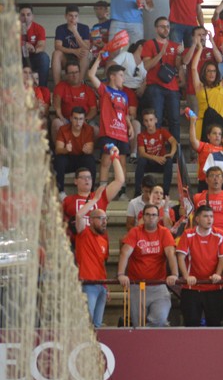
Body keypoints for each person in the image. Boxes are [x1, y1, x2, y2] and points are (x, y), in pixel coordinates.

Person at [118, 203, 179, 327]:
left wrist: (174, 274)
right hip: (137, 286)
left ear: (158, 218)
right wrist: (121, 274)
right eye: (148, 215)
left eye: (154, 215)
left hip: (158, 286)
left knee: (160, 319)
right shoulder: (135, 232)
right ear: (143, 217)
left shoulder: (164, 232)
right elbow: (125, 252)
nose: (151, 217)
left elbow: (170, 253)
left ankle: (150, 336)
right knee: (138, 324)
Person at [177, 205, 223, 327]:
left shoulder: (219, 234)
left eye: (211, 216)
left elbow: (222, 258)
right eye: (205, 216)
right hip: (191, 288)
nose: (209, 219)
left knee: (214, 324)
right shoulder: (188, 234)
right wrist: (186, 276)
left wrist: (218, 274)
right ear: (197, 219)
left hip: (213, 288)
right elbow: (180, 257)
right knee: (191, 324)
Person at [86, 57, 133, 189]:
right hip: (108, 132)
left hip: (122, 133)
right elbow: (90, 74)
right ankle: (102, 189)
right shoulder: (105, 90)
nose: (123, 79)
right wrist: (99, 58)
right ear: (112, 77)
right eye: (121, 75)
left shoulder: (124, 95)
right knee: (106, 162)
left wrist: (130, 127)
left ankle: (122, 191)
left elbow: (125, 113)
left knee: (122, 163)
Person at [141, 16, 182, 143]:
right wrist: (160, 54)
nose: (166, 29)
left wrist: (180, 55)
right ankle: (156, 148)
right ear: (156, 28)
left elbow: (178, 67)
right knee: (156, 119)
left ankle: (176, 153)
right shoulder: (149, 44)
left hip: (173, 88)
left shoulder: (175, 46)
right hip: (155, 87)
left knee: (175, 120)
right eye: (162, 26)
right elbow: (146, 66)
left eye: (168, 26)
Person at [189, 33, 223, 138]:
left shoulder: (222, 85)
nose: (211, 74)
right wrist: (200, 48)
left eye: (214, 71)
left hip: (220, 124)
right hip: (203, 125)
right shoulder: (199, 87)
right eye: (208, 71)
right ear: (204, 73)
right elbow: (193, 68)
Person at [74, 197, 110, 328]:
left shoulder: (104, 241)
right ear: (90, 220)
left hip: (101, 286)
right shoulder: (84, 234)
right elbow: (79, 215)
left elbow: (102, 264)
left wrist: (106, 286)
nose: (104, 222)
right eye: (101, 218)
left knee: (97, 325)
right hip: (88, 285)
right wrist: (96, 199)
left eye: (106, 219)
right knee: (86, 324)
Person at [51, 60, 98, 143]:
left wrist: (85, 120)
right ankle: (59, 152)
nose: (74, 75)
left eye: (76, 72)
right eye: (71, 73)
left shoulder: (88, 90)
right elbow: (57, 107)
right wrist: (62, 118)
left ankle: (86, 152)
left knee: (96, 130)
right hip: (66, 119)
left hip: (84, 119)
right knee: (56, 123)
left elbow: (93, 110)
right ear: (66, 75)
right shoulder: (60, 87)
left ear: (80, 72)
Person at [53, 107, 95, 200]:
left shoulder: (88, 129)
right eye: (75, 118)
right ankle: (60, 192)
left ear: (84, 120)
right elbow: (58, 149)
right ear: (71, 118)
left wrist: (87, 150)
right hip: (68, 159)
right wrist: (65, 150)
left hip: (82, 160)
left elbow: (91, 149)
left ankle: (90, 192)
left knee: (90, 160)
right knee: (59, 160)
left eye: (81, 119)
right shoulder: (63, 129)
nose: (78, 122)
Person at [134, 108, 177, 197]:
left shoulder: (162, 131)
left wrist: (172, 154)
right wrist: (155, 158)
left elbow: (173, 142)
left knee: (169, 161)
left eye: (151, 120)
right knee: (141, 161)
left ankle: (165, 193)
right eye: (146, 121)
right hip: (149, 162)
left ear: (156, 120)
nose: (149, 123)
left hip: (161, 163)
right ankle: (137, 192)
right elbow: (142, 153)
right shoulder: (141, 135)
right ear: (143, 122)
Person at [193, 166, 223, 241]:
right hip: (201, 240)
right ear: (206, 180)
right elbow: (191, 220)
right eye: (212, 176)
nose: (215, 179)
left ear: (222, 180)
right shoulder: (197, 197)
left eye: (218, 176)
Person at [19, 4, 50, 84]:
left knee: (44, 57)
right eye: (23, 15)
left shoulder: (39, 28)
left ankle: (43, 89)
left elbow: (42, 46)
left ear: (32, 16)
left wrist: (34, 49)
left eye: (28, 15)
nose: (25, 17)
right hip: (18, 58)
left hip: (33, 57)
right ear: (19, 17)